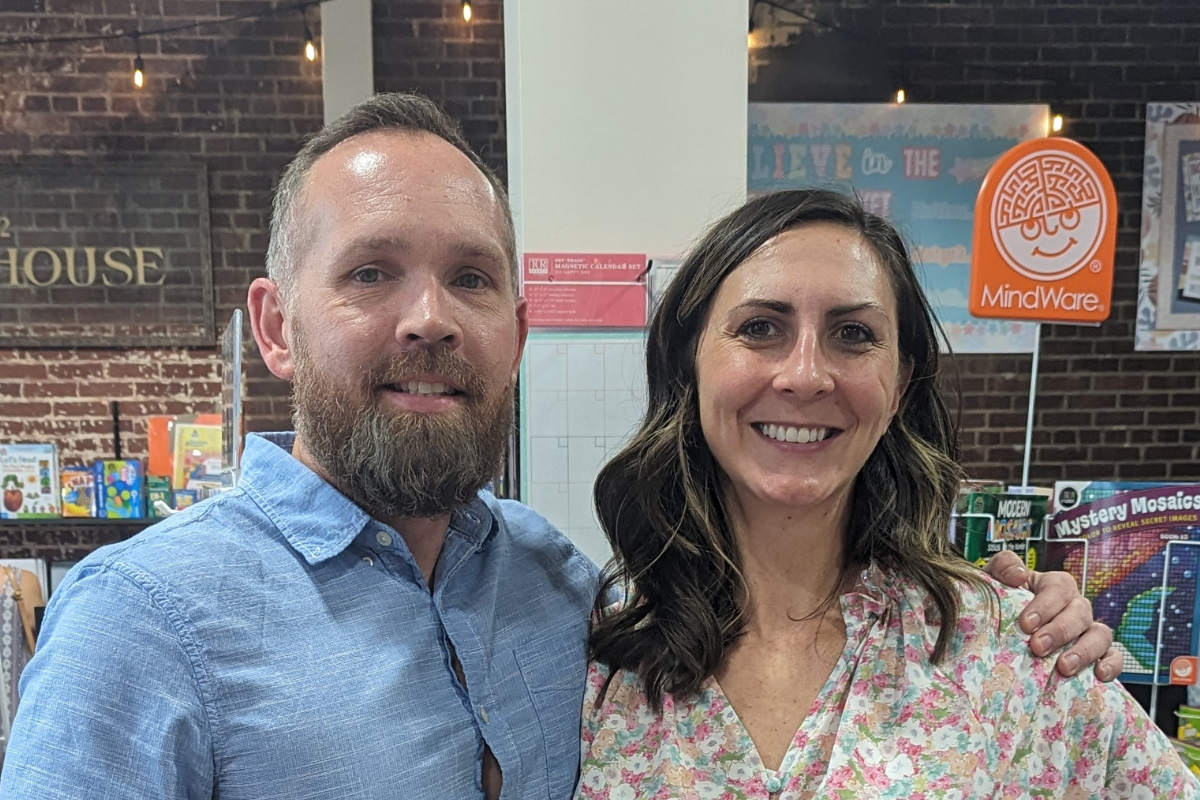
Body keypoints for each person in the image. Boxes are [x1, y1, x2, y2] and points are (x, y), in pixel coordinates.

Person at [0, 96, 1115, 800]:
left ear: (519, 334)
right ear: (277, 325)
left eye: (473, 278)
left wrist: (1046, 619)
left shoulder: (563, 591)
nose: (430, 316)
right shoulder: (141, 620)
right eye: (371, 271)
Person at [576, 188, 1198, 799]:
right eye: (761, 327)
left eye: (852, 334)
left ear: (898, 384)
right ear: (691, 363)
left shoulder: (1012, 649)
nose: (806, 376)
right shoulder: (596, 659)